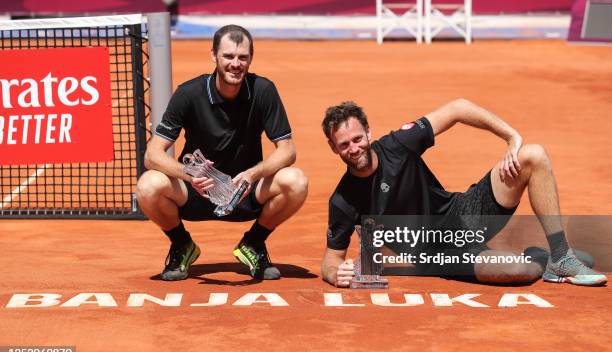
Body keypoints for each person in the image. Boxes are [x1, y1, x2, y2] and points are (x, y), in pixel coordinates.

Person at [321, 99, 607, 287]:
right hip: (440, 254)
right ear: (334, 148)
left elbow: (457, 108)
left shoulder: (398, 145)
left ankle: (560, 256)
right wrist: (336, 275)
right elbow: (330, 260)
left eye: (357, 138)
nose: (354, 148)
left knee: (533, 155)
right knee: (522, 272)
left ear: (368, 133)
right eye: (344, 144)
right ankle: (539, 258)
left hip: (464, 214)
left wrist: (511, 137)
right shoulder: (343, 200)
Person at [137, 25, 308, 281]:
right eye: (228, 56)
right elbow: (152, 155)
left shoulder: (263, 90)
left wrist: (253, 174)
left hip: (245, 192)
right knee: (148, 185)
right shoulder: (189, 93)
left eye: (242, 57)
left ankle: (254, 243)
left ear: (251, 58)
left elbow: (288, 150)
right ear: (213, 56)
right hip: (197, 191)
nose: (235, 64)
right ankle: (182, 244)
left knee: (296, 181)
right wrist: (189, 175)